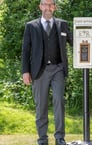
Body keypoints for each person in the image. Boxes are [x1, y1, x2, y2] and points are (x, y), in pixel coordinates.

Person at [21, 0, 73, 145]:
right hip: (39, 71)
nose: (47, 7)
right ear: (40, 7)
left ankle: (59, 137)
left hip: (58, 69)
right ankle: (42, 139)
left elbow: (74, 42)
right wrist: (25, 71)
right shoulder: (31, 26)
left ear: (54, 7)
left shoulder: (62, 24)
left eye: (50, 5)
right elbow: (25, 50)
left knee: (59, 101)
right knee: (41, 105)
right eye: (45, 4)